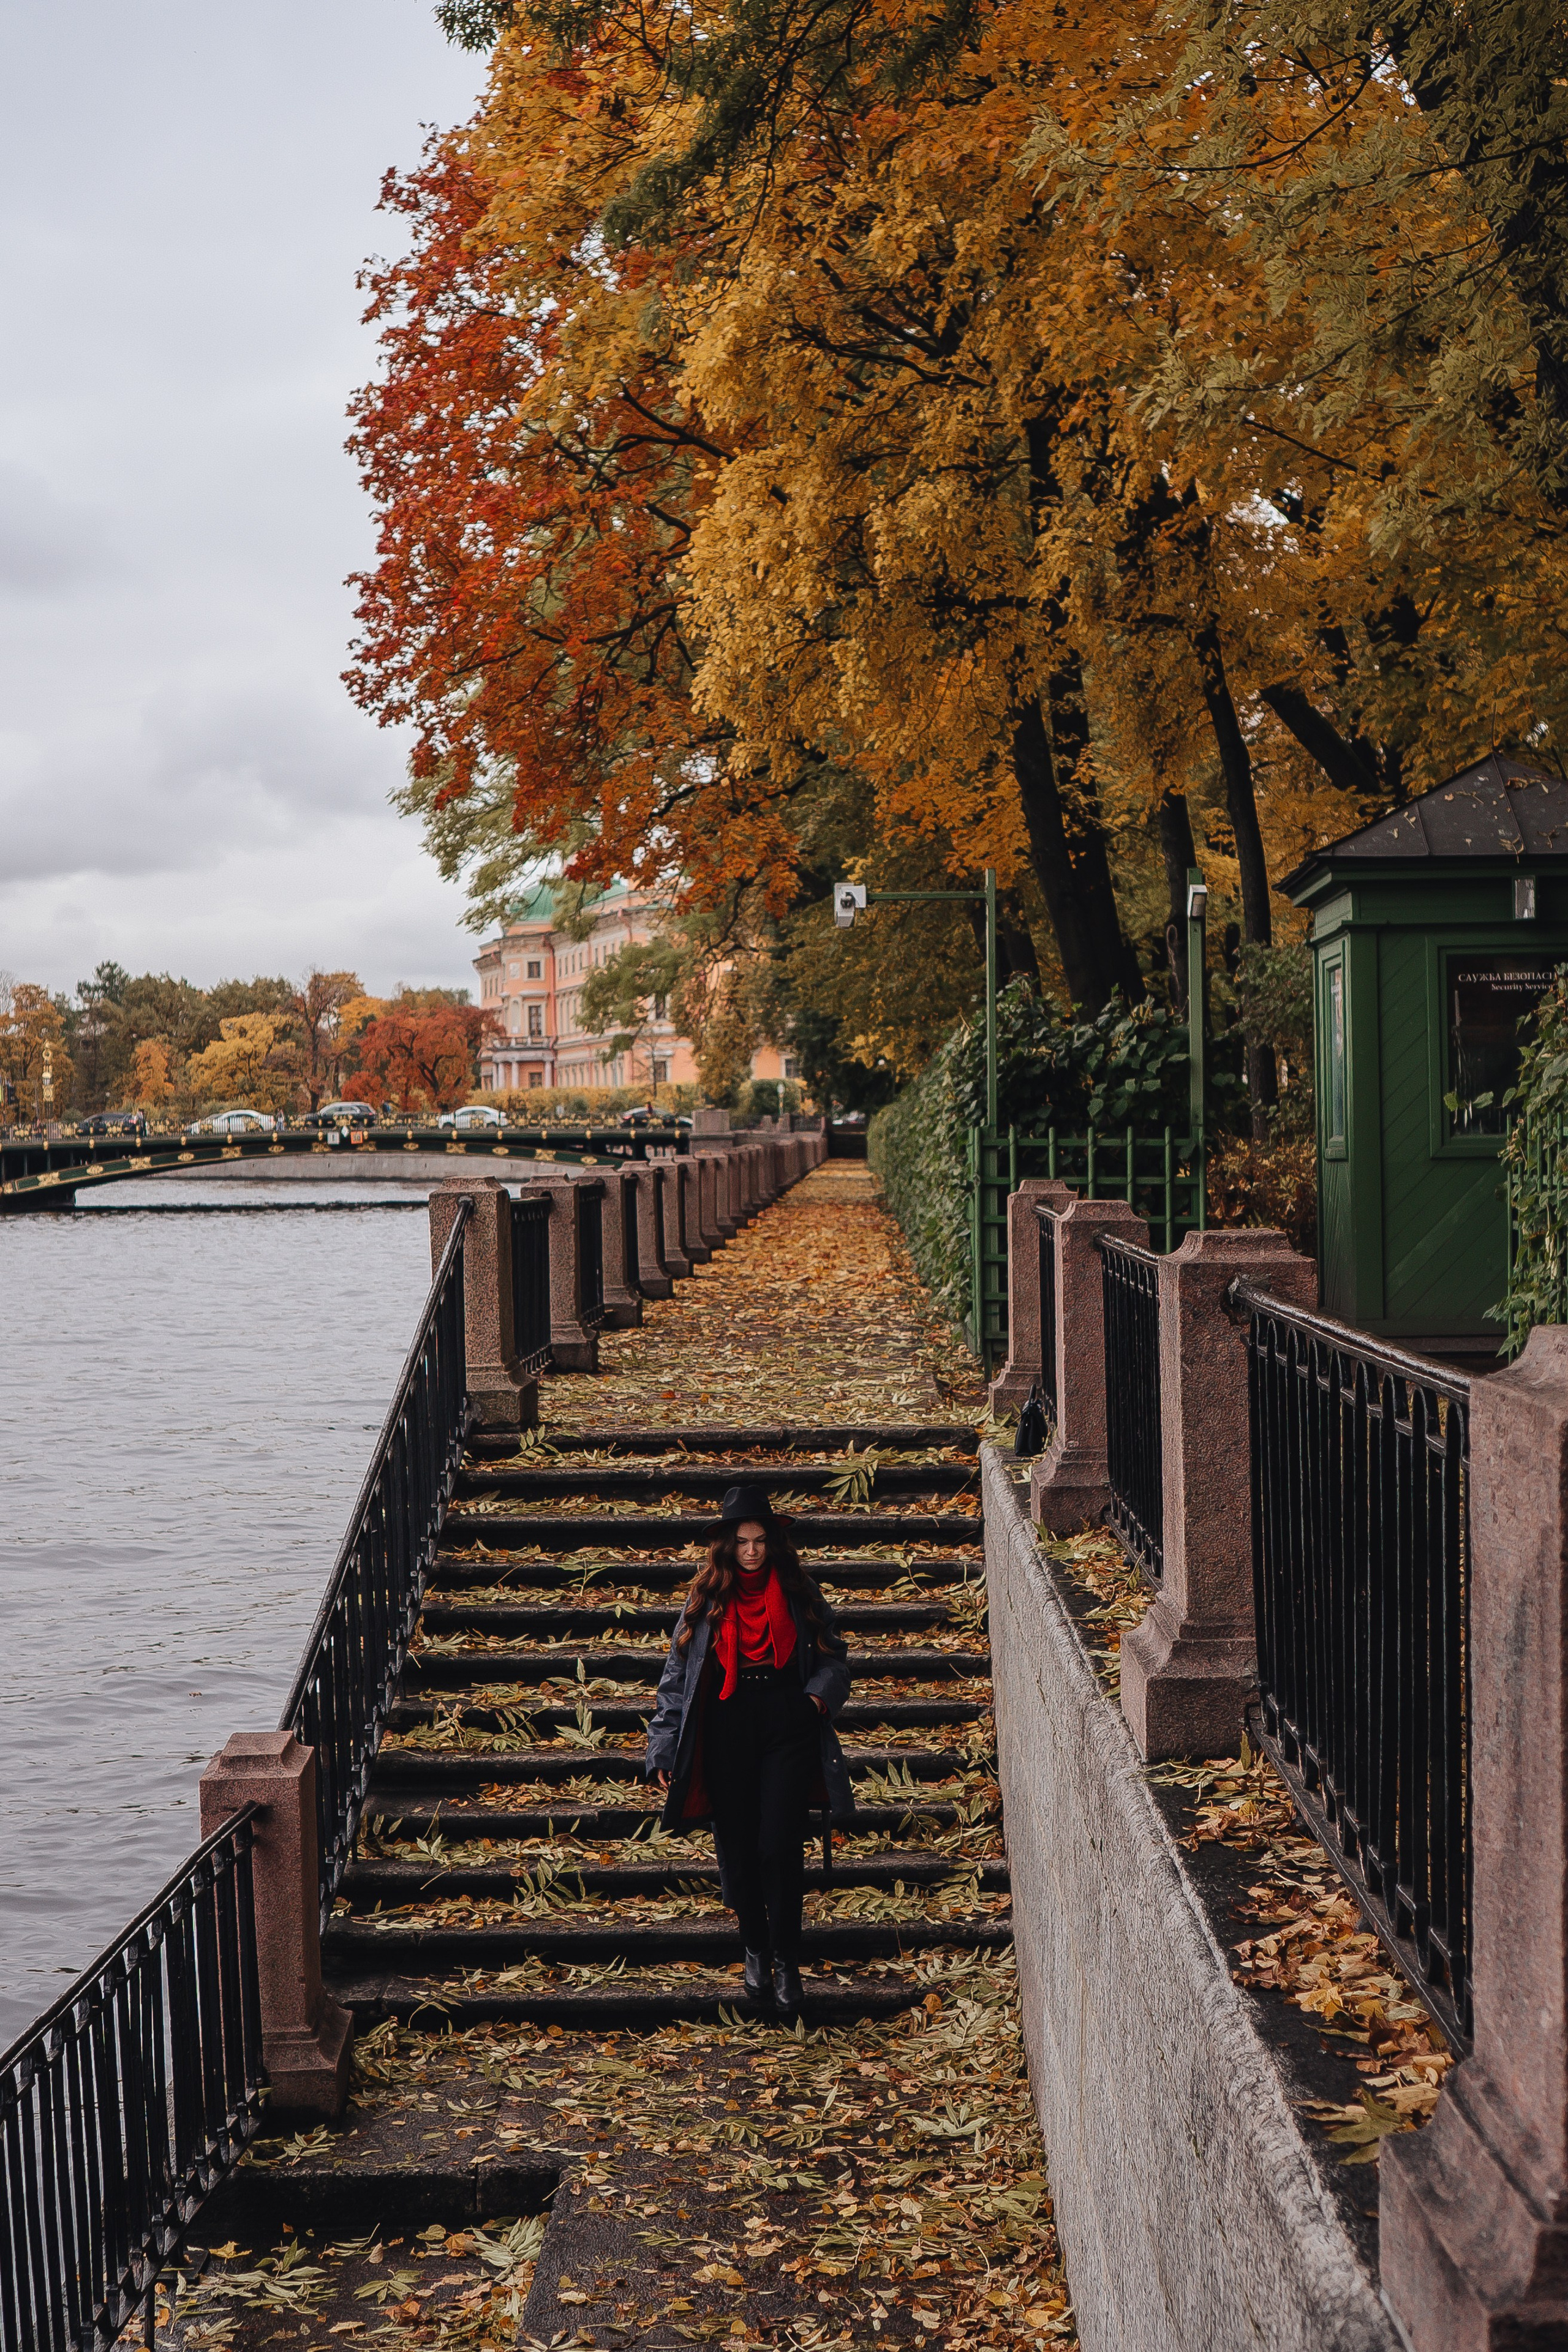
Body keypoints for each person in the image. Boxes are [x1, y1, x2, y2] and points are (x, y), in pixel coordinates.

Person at [645, 1483, 854, 2016]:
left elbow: (835, 1657)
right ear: (727, 1546)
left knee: (778, 1844)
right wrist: (664, 1746)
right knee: (737, 1847)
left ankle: (788, 1959)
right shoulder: (706, 1597)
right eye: (743, 1542)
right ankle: (755, 1948)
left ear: (773, 1543)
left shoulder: (799, 1588)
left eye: (760, 1541)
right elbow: (677, 1678)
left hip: (787, 1720)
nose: (753, 1551)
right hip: (726, 1725)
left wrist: (814, 1702)